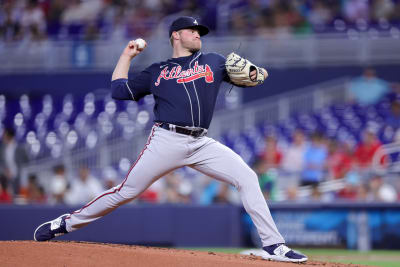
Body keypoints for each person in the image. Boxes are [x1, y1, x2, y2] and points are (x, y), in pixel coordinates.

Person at [33, 16, 307, 263]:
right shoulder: (157, 70)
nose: (198, 34)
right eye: (193, 30)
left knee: (247, 177)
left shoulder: (214, 60)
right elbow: (119, 90)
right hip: (166, 140)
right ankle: (66, 224)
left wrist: (256, 74)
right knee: (125, 192)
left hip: (201, 143)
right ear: (176, 35)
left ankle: (274, 245)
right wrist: (126, 55)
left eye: (199, 31)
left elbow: (255, 76)